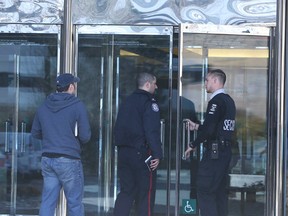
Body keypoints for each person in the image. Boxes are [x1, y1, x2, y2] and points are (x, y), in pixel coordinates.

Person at [31, 73, 91, 216]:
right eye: (74, 85)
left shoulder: (43, 106)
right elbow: (85, 136)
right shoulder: (77, 105)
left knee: (47, 201)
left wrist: (51, 138)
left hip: (48, 159)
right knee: (75, 203)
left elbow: (35, 133)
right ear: (71, 86)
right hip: (69, 159)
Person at [184, 69, 236, 216]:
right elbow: (215, 127)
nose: (205, 83)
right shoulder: (229, 100)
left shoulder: (216, 101)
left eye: (207, 80)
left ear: (215, 81)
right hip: (224, 152)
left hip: (215, 153)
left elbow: (209, 131)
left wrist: (193, 144)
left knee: (205, 190)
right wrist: (198, 126)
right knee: (219, 193)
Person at [113, 72, 163, 216]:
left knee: (126, 192)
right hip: (142, 153)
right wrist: (157, 154)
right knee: (145, 194)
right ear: (147, 84)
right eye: (154, 83)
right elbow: (151, 130)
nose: (156, 86)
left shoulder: (127, 101)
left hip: (124, 153)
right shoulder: (149, 103)